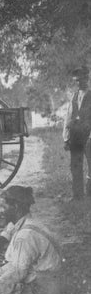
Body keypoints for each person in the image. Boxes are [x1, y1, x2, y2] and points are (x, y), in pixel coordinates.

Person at [63, 66, 91, 200]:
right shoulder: (74, 96)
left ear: (88, 79)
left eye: (82, 80)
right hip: (75, 135)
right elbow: (68, 117)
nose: (80, 83)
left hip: (88, 135)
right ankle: (78, 196)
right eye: (77, 81)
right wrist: (66, 138)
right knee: (75, 165)